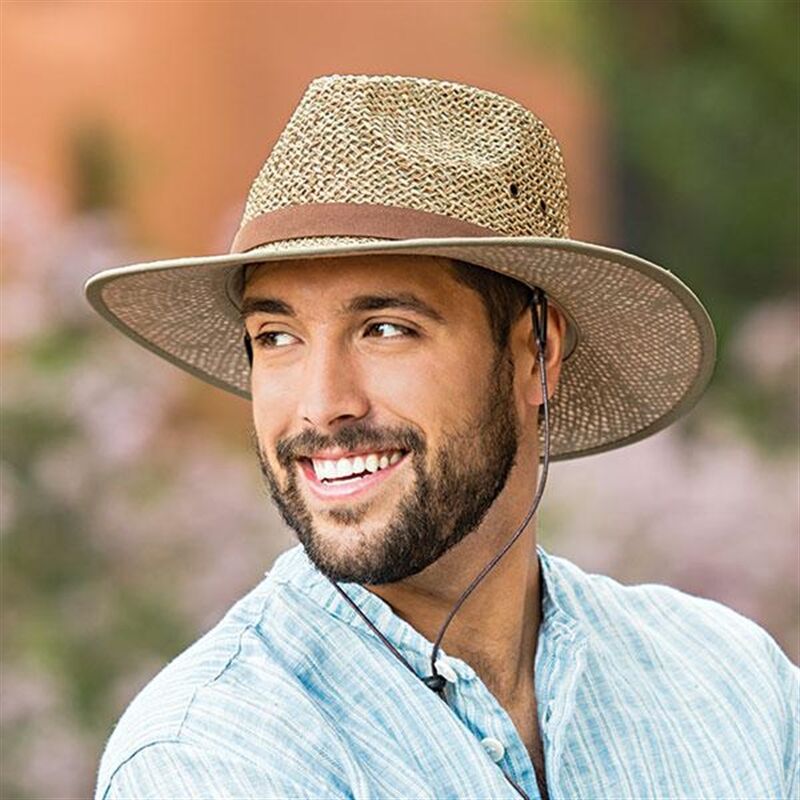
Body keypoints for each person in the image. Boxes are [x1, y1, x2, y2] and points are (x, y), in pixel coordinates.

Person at [85, 75, 798, 800]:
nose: (322, 406)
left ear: (536, 353)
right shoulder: (216, 758)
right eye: (276, 336)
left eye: (385, 329)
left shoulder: (733, 686)